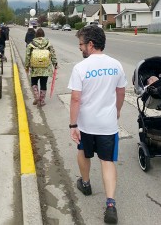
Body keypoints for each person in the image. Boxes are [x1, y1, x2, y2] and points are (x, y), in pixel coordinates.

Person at [68, 25, 127, 224]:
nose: (80, 48)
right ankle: (110, 204)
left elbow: (76, 99)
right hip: (107, 125)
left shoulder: (80, 68)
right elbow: (121, 93)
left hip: (86, 124)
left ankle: (85, 184)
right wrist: (117, 110)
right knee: (107, 160)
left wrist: (73, 125)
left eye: (81, 44)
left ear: (91, 44)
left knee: (83, 151)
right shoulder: (116, 65)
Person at [25, 28, 57, 106]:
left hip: (34, 67)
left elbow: (27, 56)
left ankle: (36, 97)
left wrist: (26, 66)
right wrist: (55, 64)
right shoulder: (48, 43)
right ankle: (42, 100)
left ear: (36, 35)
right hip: (45, 68)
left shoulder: (31, 44)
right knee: (43, 83)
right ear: (43, 35)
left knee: (34, 82)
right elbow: (53, 54)